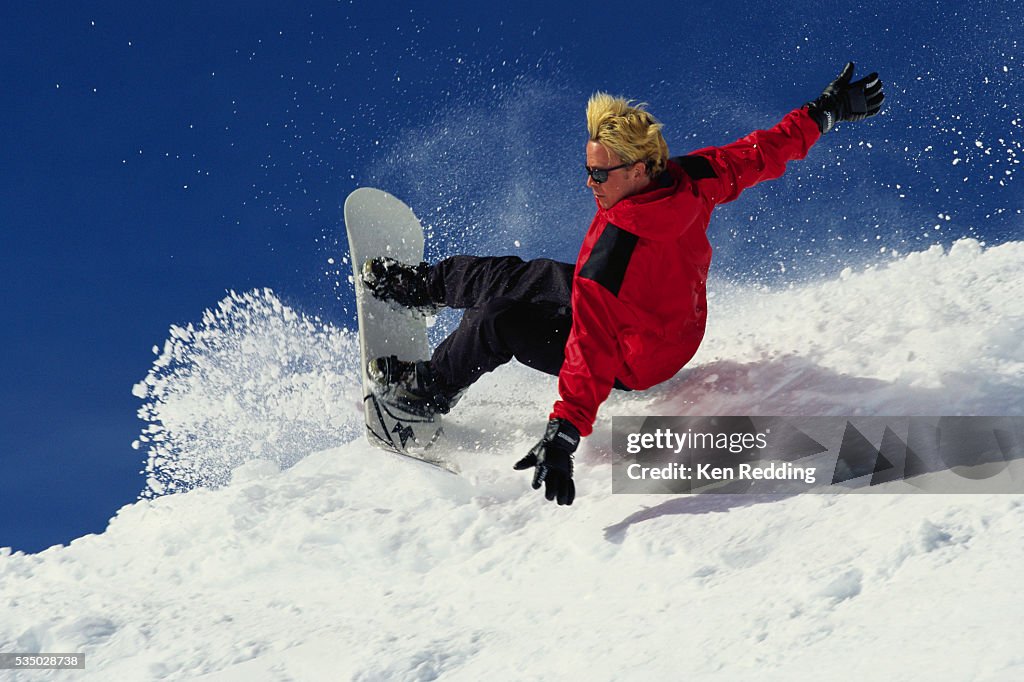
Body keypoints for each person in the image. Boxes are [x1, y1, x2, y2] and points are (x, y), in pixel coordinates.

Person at [361, 62, 884, 506]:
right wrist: (826, 111)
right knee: (528, 275)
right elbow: (761, 151)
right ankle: (423, 287)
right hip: (668, 325)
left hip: (635, 359)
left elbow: (590, 349)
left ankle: (423, 395)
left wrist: (562, 436)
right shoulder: (691, 178)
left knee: (500, 317)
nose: (588, 183)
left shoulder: (611, 256)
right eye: (588, 169)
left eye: (599, 175)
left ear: (637, 171)